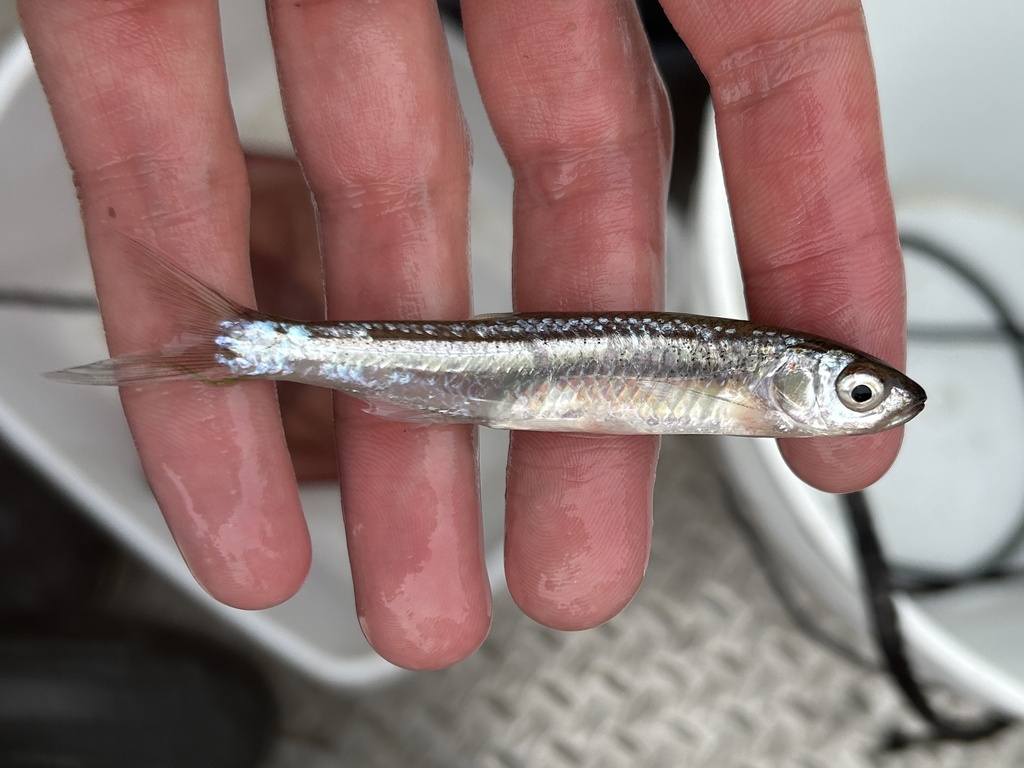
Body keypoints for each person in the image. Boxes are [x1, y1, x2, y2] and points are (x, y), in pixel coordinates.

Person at [19, 0, 906, 671]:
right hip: (501, 364)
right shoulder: (749, 380)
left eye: (860, 395)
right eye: (856, 392)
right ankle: (243, 346)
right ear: (786, 375)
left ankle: (242, 345)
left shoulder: (748, 385)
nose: (863, 405)